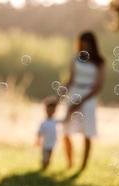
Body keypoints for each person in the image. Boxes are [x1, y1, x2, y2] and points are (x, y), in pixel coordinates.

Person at [63, 31, 105, 171]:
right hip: (74, 93)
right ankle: (70, 163)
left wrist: (81, 101)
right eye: (82, 42)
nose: (84, 45)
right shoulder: (75, 59)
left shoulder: (99, 62)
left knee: (87, 132)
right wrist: (59, 96)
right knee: (66, 130)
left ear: (92, 44)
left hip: (88, 97)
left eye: (87, 42)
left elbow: (98, 86)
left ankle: (83, 166)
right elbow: (70, 81)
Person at [36, 96, 59, 170]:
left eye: (52, 110)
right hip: (45, 143)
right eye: (49, 109)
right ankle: (43, 166)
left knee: (49, 156)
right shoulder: (43, 122)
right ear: (46, 110)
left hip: (52, 143)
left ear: (54, 111)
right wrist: (38, 140)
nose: (50, 111)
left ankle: (46, 166)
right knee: (45, 156)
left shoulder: (55, 121)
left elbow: (64, 121)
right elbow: (39, 132)